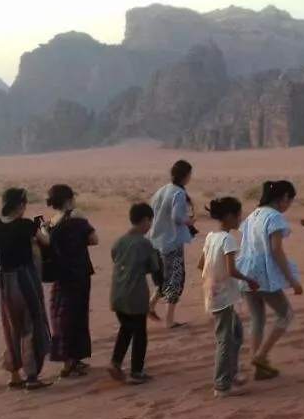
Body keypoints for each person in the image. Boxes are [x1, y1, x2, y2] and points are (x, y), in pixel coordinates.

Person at [0, 188, 52, 390]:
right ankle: (31, 376)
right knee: (31, 325)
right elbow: (46, 241)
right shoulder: (25, 225)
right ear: (20, 205)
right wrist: (43, 229)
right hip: (25, 279)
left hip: (6, 280)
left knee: (12, 327)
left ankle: (14, 374)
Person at [235, 180, 303, 380]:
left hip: (246, 270)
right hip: (262, 273)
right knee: (286, 315)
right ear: (283, 198)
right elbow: (276, 250)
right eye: (289, 201)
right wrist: (292, 280)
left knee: (258, 318)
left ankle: (260, 369)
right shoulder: (274, 217)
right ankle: (261, 356)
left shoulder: (253, 215)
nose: (288, 205)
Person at [197, 197, 259, 398]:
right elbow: (232, 270)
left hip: (215, 293)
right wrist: (249, 279)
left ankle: (231, 375)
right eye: (238, 215)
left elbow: (201, 264)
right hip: (223, 296)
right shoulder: (227, 240)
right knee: (226, 339)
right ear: (231, 217)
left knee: (236, 334)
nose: (240, 219)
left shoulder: (210, 237)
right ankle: (222, 384)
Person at [45, 184, 98, 380]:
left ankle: (72, 360)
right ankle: (70, 362)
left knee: (62, 316)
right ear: (68, 201)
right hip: (79, 274)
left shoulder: (50, 223)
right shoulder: (78, 221)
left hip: (61, 276)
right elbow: (94, 240)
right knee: (77, 317)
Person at [110, 203, 163, 385]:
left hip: (117, 293)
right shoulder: (144, 243)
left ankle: (115, 362)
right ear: (146, 220)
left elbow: (115, 257)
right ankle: (136, 371)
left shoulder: (119, 241)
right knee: (140, 332)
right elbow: (154, 267)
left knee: (126, 328)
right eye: (150, 221)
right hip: (135, 294)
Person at [147, 159, 195, 329]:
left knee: (165, 278)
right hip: (171, 243)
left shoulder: (162, 190)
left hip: (156, 241)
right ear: (186, 175)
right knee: (176, 279)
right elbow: (176, 217)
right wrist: (188, 221)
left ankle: (151, 305)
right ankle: (169, 320)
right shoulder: (178, 193)